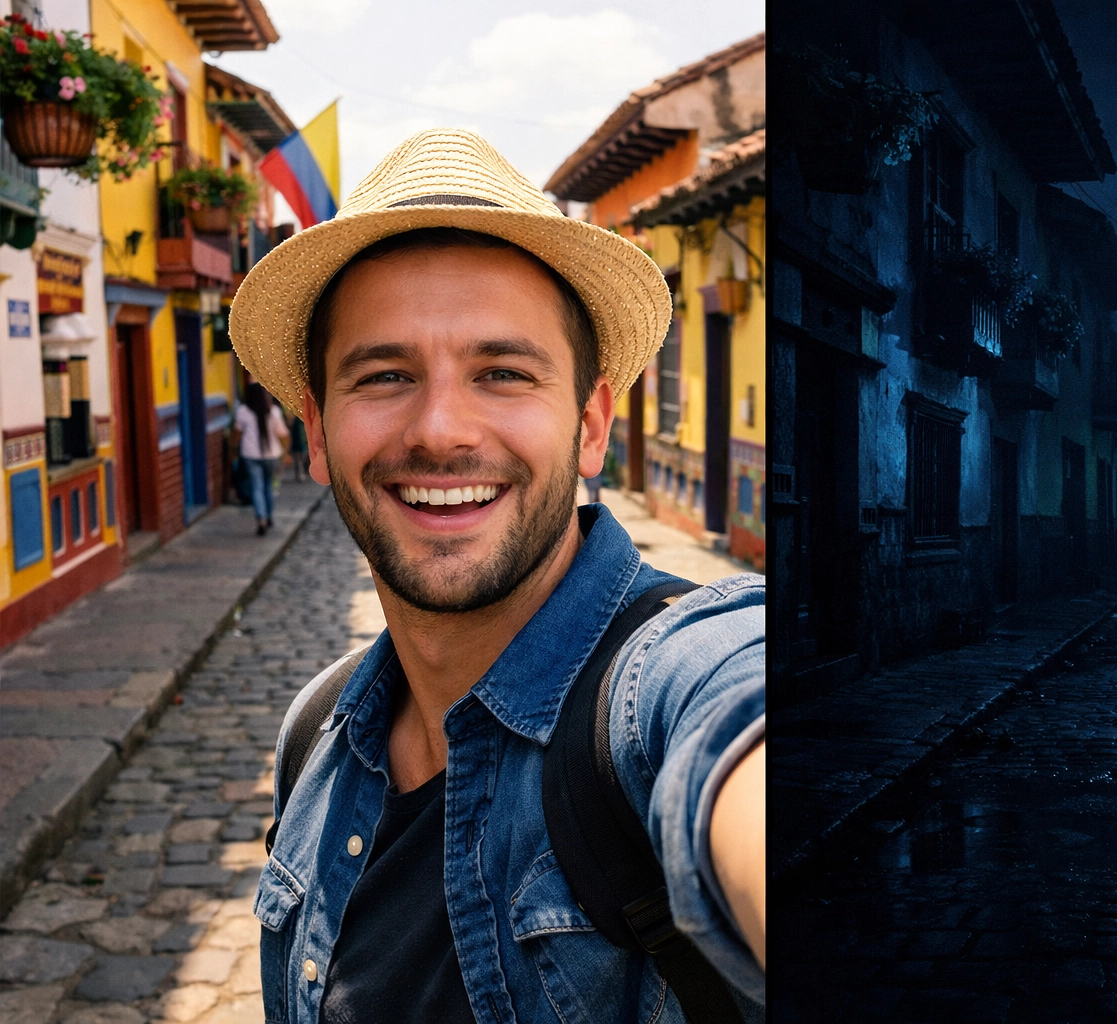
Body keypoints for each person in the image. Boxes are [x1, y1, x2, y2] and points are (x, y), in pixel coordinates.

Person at [229, 129, 763, 1024]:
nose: (441, 429)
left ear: (592, 426)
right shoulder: (314, 737)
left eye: (503, 373)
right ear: (317, 434)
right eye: (386, 374)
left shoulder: (672, 685)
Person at [233, 382, 289, 535]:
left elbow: (237, 434)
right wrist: (286, 452)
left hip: (251, 455)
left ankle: (261, 519)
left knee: (257, 487)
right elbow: (283, 435)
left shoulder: (243, 411)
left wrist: (233, 450)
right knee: (268, 486)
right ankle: (269, 515)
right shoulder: (274, 411)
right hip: (272, 455)